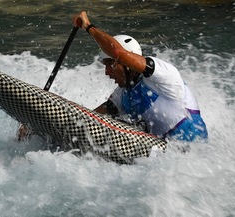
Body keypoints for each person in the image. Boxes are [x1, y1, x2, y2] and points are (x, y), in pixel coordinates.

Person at [71, 11, 208, 141]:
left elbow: (119, 53)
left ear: (127, 64)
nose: (107, 72)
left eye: (110, 64)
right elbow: (92, 118)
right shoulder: (123, 94)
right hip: (164, 154)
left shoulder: (162, 74)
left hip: (194, 150)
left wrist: (88, 27)